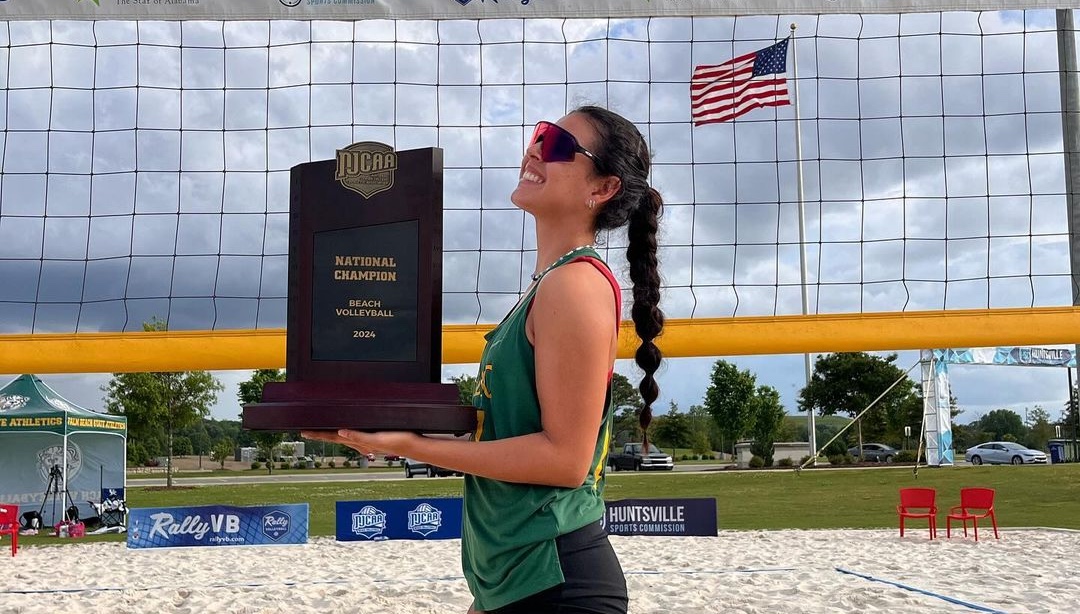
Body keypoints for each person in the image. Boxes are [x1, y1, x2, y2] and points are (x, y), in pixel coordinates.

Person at [303, 105, 664, 613]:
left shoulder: (575, 285)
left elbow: (564, 461)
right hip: (512, 580)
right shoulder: (550, 284)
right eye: (540, 134)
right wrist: (379, 427)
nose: (534, 149)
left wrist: (412, 445)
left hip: (556, 579)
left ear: (602, 188)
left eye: (558, 145)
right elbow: (504, 434)